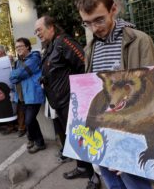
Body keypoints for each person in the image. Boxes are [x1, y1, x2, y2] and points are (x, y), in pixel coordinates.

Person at [76, 0, 154, 189]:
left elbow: (150, 95)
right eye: (87, 23)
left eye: (99, 19)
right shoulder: (90, 49)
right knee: (113, 186)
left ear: (114, 9)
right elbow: (91, 93)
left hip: (130, 136)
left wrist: (131, 148)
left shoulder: (140, 41)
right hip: (103, 137)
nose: (94, 28)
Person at [35, 16, 96, 186]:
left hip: (72, 102)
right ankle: (82, 168)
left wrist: (78, 94)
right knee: (73, 138)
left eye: (39, 29)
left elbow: (84, 64)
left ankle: (94, 176)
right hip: (59, 103)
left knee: (83, 139)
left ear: (51, 27)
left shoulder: (63, 42)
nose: (37, 33)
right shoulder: (50, 46)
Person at [10, 37, 46, 153]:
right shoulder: (17, 61)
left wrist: (16, 75)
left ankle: (38, 142)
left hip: (33, 94)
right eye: (17, 47)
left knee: (29, 121)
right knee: (31, 120)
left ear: (27, 46)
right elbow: (12, 78)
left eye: (20, 46)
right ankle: (36, 140)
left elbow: (20, 73)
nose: (18, 49)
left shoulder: (34, 58)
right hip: (22, 96)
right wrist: (16, 75)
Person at [0, 44, 21, 136]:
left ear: (0, 52)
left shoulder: (9, 59)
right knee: (6, 106)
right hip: (4, 88)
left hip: (14, 87)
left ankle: (21, 126)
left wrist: (11, 62)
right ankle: (10, 126)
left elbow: (16, 69)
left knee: (17, 106)